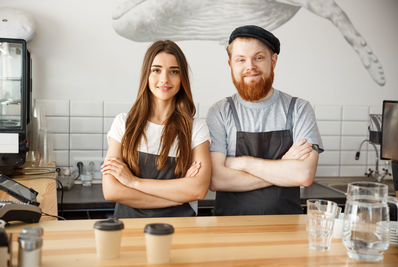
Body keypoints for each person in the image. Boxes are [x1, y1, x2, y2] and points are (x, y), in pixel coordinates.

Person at [206, 25, 324, 216]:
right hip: (230, 230)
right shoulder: (220, 111)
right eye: (241, 60)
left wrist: (242, 163)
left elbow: (304, 175)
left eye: (258, 58)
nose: (250, 66)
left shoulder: (299, 109)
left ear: (273, 61)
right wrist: (284, 166)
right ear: (231, 65)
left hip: (287, 228)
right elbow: (216, 180)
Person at [101, 40, 211, 218]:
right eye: (156, 70)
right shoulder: (123, 123)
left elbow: (198, 189)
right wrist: (178, 197)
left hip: (181, 233)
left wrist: (133, 182)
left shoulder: (196, 128)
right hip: (130, 232)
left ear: (182, 78)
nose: (165, 79)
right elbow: (112, 191)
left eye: (173, 71)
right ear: (146, 74)